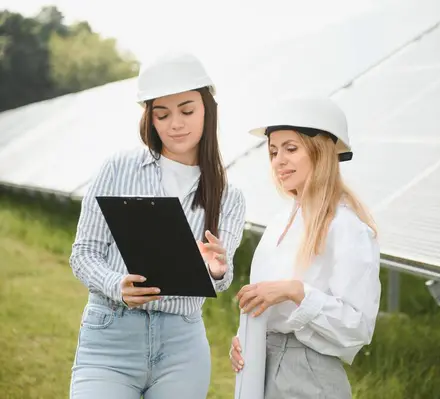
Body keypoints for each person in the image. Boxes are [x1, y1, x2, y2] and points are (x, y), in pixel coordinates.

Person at [68, 51, 246, 399]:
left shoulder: (229, 197)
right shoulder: (117, 168)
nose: (175, 123)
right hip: (110, 339)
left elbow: (219, 281)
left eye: (187, 110)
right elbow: (83, 254)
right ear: (150, 118)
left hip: (182, 348)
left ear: (208, 109)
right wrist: (116, 285)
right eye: (162, 114)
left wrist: (217, 269)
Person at [230, 96, 381, 398]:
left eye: (290, 148)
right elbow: (265, 302)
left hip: (308, 374)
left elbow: (357, 327)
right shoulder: (280, 221)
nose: (278, 161)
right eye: (273, 151)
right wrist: (245, 336)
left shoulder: (348, 228)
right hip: (262, 365)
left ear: (321, 152)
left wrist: (296, 291)